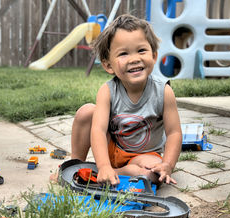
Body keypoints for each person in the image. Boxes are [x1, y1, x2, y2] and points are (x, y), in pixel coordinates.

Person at [71, 14, 182, 186]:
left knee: (153, 175)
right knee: (86, 112)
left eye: (141, 50)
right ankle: (73, 169)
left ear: (153, 55)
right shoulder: (108, 91)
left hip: (145, 157)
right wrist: (104, 164)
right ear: (108, 65)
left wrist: (167, 164)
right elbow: (99, 131)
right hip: (113, 151)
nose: (134, 59)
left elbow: (174, 133)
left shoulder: (163, 92)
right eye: (123, 53)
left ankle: (104, 174)